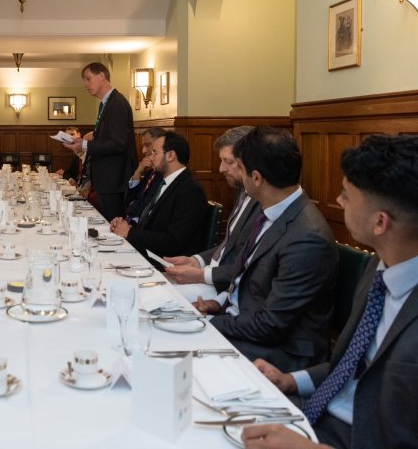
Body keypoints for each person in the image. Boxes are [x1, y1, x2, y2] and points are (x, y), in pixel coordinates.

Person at [243, 134, 418, 449]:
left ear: (380, 222)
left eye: (346, 195)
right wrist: (289, 379)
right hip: (316, 411)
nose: (338, 201)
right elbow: (356, 367)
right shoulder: (381, 268)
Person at [195, 127, 337, 372]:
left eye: (238, 166)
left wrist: (209, 323)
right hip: (245, 325)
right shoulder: (269, 211)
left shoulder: (306, 238)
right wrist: (219, 302)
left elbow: (271, 325)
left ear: (257, 178)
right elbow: (247, 278)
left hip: (279, 352)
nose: (229, 172)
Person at [165, 126, 261, 301]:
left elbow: (249, 264)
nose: (221, 168)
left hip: (224, 288)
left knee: (157, 296)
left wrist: (201, 274)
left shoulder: (263, 201)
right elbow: (229, 244)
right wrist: (196, 260)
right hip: (210, 275)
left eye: (228, 162)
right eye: (221, 160)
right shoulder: (241, 190)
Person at [110, 130, 208, 258]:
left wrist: (129, 233)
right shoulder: (165, 182)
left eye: (155, 152)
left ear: (170, 155)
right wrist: (126, 226)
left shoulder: (190, 191)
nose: (150, 157)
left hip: (166, 263)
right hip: (147, 252)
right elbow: (149, 223)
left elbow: (174, 242)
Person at [63, 62, 137, 220]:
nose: (85, 84)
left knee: (113, 225)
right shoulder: (106, 103)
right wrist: (81, 145)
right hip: (107, 179)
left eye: (88, 79)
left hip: (114, 179)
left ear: (102, 76)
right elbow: (104, 139)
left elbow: (118, 143)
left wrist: (84, 144)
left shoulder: (116, 103)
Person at [123, 127, 164, 223]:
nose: (143, 151)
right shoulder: (150, 172)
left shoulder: (163, 175)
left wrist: (131, 207)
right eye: (143, 146)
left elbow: (144, 206)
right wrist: (138, 172)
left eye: (147, 145)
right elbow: (128, 200)